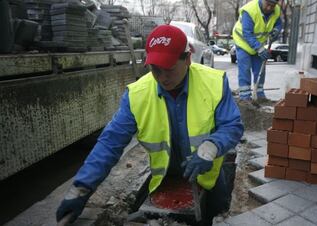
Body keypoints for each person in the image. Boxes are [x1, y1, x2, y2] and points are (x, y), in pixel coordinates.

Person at [55, 25, 244, 225]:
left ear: (187, 59)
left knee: (218, 213)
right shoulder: (137, 94)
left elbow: (232, 125)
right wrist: (81, 188)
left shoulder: (213, 82)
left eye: (169, 69)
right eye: (155, 69)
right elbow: (109, 143)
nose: (162, 78)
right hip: (165, 179)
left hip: (208, 176)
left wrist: (209, 148)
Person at [232, 0, 282, 103]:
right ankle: (245, 97)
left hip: (258, 43)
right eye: (268, 4)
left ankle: (259, 94)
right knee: (245, 68)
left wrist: (276, 30)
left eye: (272, 6)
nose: (269, 8)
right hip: (243, 42)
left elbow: (278, 23)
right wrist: (259, 49)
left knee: (260, 69)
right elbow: (247, 34)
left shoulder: (276, 10)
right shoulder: (250, 10)